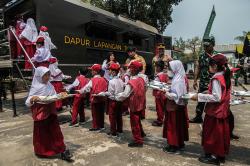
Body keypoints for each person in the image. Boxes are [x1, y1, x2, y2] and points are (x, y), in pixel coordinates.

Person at [25, 67, 72, 162]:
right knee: (42, 134)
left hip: (51, 112)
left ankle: (62, 150)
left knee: (56, 132)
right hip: (40, 114)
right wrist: (32, 99)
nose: (47, 77)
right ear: (39, 76)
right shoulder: (35, 87)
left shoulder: (50, 85)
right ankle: (42, 151)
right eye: (45, 75)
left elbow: (54, 95)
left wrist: (60, 95)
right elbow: (27, 102)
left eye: (48, 75)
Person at [191, 54, 231, 165]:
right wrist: (206, 92)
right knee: (220, 134)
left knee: (213, 135)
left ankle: (214, 157)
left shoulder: (216, 78)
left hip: (215, 111)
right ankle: (220, 155)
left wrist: (198, 97)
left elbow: (216, 97)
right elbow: (220, 93)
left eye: (210, 64)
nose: (209, 67)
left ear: (215, 66)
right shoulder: (225, 75)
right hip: (222, 111)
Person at [116, 61, 146, 147]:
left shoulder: (131, 81)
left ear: (133, 70)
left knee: (134, 122)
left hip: (134, 104)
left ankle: (138, 140)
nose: (129, 70)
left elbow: (125, 94)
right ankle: (141, 133)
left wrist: (116, 96)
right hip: (141, 103)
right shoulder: (141, 79)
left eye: (130, 69)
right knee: (138, 120)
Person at [162, 60, 189, 153]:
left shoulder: (178, 81)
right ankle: (179, 143)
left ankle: (173, 146)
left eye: (170, 68)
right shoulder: (179, 78)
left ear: (176, 68)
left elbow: (176, 96)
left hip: (174, 106)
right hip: (179, 107)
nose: (169, 69)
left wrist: (166, 93)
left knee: (173, 127)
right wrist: (169, 89)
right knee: (178, 126)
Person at [190, 36, 217, 123]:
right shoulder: (202, 55)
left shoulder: (217, 56)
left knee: (214, 103)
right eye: (204, 46)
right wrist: (194, 80)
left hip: (214, 84)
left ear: (213, 44)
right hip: (203, 83)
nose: (205, 48)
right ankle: (198, 117)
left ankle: (214, 120)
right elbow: (198, 67)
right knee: (200, 101)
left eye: (207, 46)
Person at [78, 64, 108, 131]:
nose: (91, 72)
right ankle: (101, 126)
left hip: (95, 99)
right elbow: (106, 88)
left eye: (92, 70)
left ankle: (95, 126)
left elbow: (87, 88)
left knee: (95, 114)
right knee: (101, 113)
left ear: (95, 71)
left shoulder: (93, 80)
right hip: (102, 99)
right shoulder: (104, 79)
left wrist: (80, 91)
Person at [98, 63, 124, 136]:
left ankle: (113, 132)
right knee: (119, 116)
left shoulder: (111, 81)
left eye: (109, 70)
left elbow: (110, 93)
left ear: (113, 72)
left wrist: (102, 93)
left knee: (112, 117)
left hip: (113, 101)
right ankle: (120, 130)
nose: (108, 72)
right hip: (120, 101)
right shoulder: (121, 80)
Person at [152, 60, 169, 126]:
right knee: (164, 108)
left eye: (156, 66)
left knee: (159, 108)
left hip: (159, 95)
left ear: (158, 67)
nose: (155, 68)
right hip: (164, 94)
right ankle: (164, 120)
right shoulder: (165, 75)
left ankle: (159, 121)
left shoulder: (158, 76)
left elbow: (155, 86)